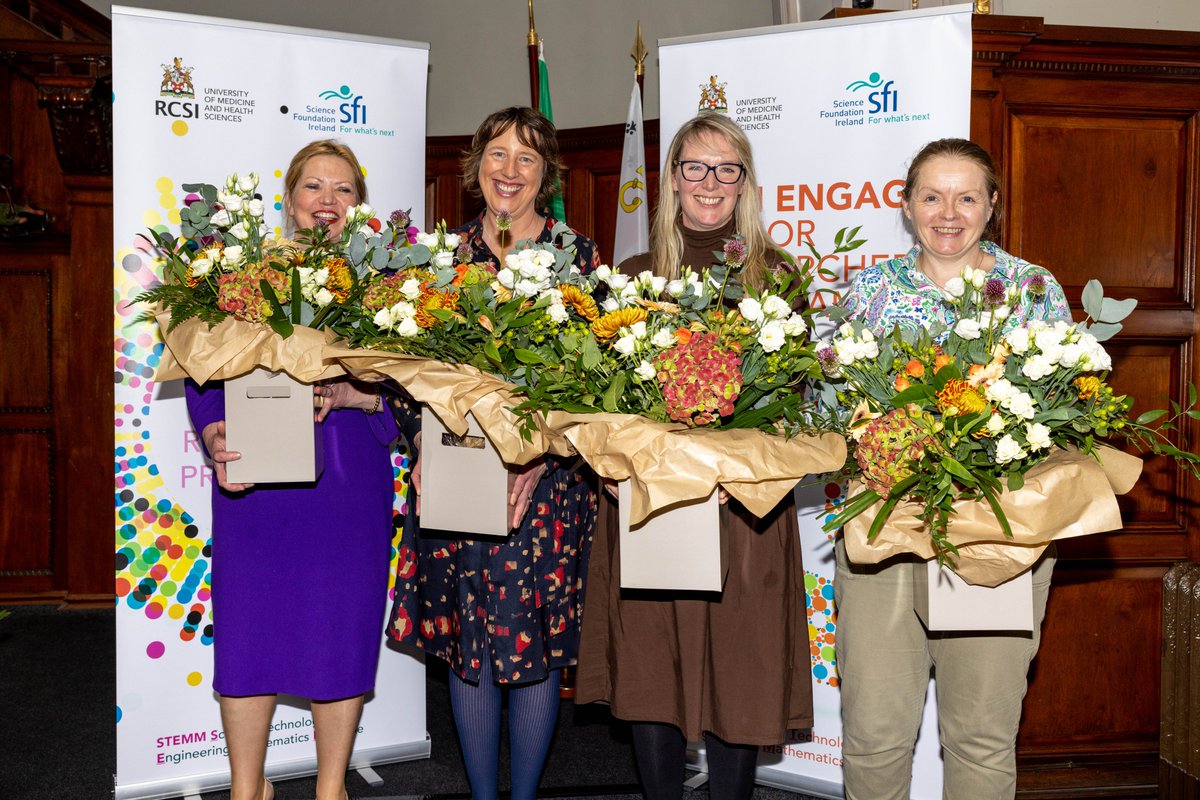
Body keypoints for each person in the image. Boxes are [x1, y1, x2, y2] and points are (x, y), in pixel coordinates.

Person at [573, 112, 814, 800]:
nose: (710, 183)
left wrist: (739, 477)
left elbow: (792, 399)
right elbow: (602, 401)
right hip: (652, 502)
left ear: (745, 183)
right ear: (673, 179)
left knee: (739, 669)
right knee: (652, 667)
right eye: (695, 167)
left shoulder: (780, 277)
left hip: (745, 509)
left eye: (726, 168)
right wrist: (616, 471)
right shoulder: (634, 278)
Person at [835, 137, 1071, 800]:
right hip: (884, 528)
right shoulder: (870, 290)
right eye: (931, 196)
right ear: (906, 206)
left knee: (980, 736)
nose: (948, 212)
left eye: (966, 197)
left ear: (991, 206)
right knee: (875, 735)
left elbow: (1065, 410)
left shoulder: (1032, 291)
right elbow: (825, 404)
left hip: (997, 532)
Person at [386, 106, 600, 800]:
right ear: (476, 165)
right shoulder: (435, 260)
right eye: (498, 155)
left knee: (532, 649)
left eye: (527, 158)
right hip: (455, 477)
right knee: (468, 647)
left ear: (548, 174)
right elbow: (403, 371)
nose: (510, 170)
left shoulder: (580, 258)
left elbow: (598, 383)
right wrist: (420, 444)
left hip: (545, 487)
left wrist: (540, 456)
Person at [185, 139, 399, 800]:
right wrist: (215, 428)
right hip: (259, 484)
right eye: (313, 187)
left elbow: (415, 393)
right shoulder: (242, 274)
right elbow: (203, 368)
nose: (327, 203)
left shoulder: (391, 287)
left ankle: (330, 786)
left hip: (348, 484)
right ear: (289, 200)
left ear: (359, 206)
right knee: (251, 634)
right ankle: (248, 788)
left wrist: (356, 394)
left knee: (341, 629)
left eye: (343, 190)